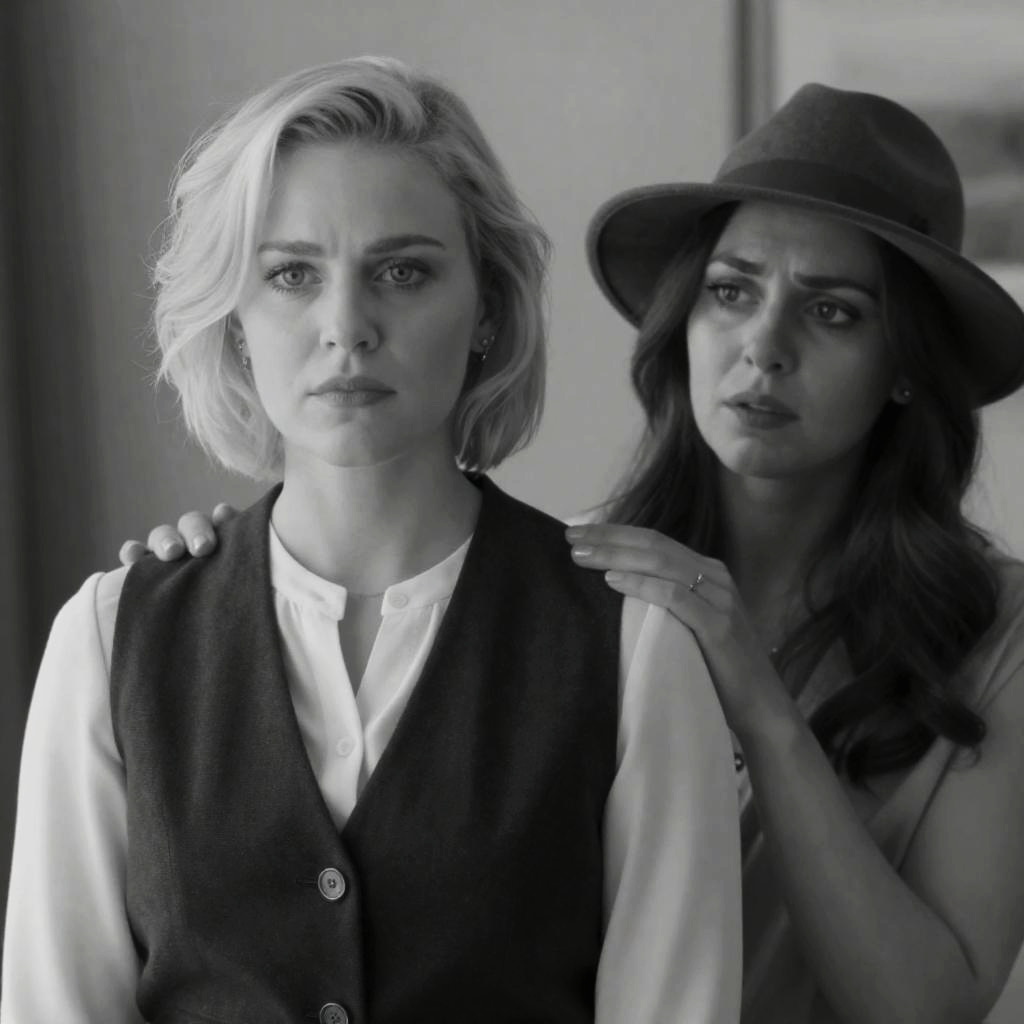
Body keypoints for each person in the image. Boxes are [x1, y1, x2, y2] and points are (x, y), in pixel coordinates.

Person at [136, 82, 1024, 1023]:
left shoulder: (997, 633)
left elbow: (929, 1008)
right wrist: (225, 589)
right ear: (682, 320)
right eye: (730, 292)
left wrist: (761, 708)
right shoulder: (591, 601)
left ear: (906, 363)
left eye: (834, 312)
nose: (764, 347)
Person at [1, 58, 741, 1024]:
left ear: (486, 309)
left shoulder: (634, 647)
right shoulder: (108, 640)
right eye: (291, 275)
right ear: (235, 320)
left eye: (403, 272)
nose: (346, 326)